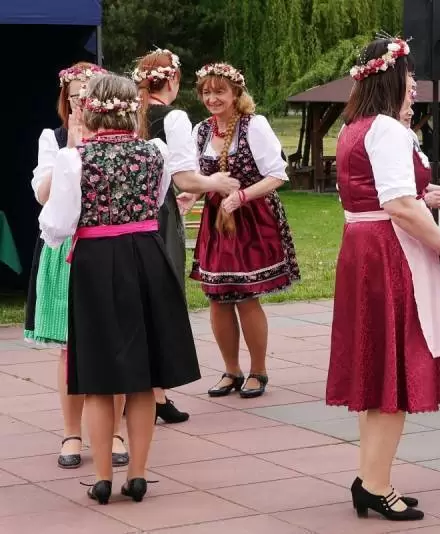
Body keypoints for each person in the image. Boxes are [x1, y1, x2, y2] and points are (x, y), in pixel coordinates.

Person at [38, 73, 200, 504]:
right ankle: (139, 474)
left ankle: (103, 478)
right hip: (147, 256)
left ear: (91, 110)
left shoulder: (75, 159)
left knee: (98, 376)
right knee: (143, 376)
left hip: (95, 260)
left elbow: (57, 225)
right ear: (133, 111)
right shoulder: (156, 151)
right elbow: (158, 200)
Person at [326, 37, 440, 522]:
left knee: (378, 371)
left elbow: (383, 194)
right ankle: (376, 484)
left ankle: (370, 477)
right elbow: (398, 204)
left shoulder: (354, 127)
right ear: (392, 79)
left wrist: (430, 195)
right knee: (394, 374)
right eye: (409, 76)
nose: (414, 85)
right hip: (389, 252)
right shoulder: (386, 129)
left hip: (364, 246)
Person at [26, 62, 129, 470]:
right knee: (70, 346)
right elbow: (42, 195)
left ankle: (116, 431)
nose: (83, 105)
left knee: (116, 342)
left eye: (90, 96)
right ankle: (72, 433)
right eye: (76, 98)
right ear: (66, 102)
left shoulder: (124, 139)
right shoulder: (52, 139)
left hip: (110, 243)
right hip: (66, 244)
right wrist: (71, 148)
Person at [133, 48, 240, 422]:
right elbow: (183, 178)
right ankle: (156, 393)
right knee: (160, 300)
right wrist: (216, 182)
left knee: (135, 301)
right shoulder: (173, 117)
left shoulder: (130, 112)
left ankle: (143, 392)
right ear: (174, 79)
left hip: (125, 215)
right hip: (157, 215)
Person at [190, 63, 300, 399]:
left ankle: (258, 370)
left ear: (236, 92)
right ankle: (231, 370)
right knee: (217, 297)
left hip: (252, 217)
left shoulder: (254, 125)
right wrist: (189, 195)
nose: (212, 98)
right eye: (206, 92)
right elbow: (198, 177)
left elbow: (278, 175)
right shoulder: (201, 131)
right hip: (217, 220)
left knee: (246, 296)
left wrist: (241, 196)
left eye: (219, 91)